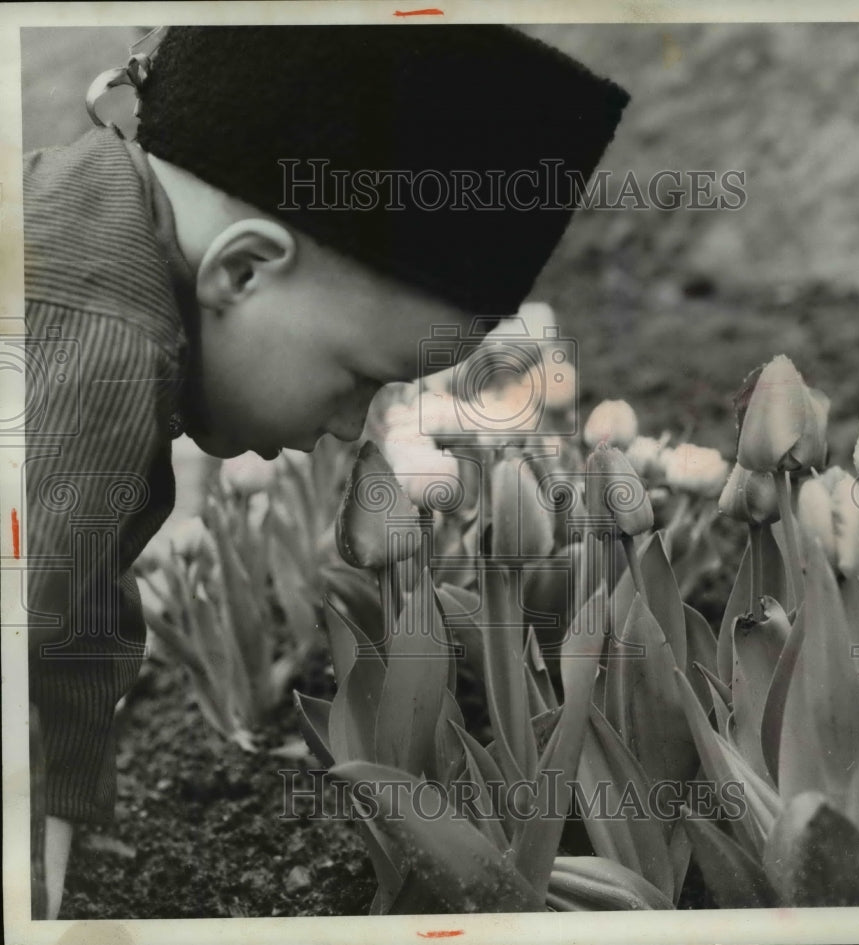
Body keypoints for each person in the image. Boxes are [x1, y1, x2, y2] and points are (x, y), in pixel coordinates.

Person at [24, 24, 628, 917]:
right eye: (360, 378)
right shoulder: (100, 341)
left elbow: (75, 609)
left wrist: (62, 808)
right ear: (243, 270)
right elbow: (30, 621)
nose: (353, 428)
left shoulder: (74, 224)